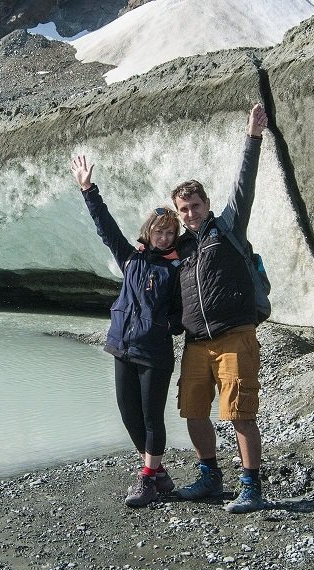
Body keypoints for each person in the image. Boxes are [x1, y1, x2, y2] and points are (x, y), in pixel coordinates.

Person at [171, 103, 269, 513]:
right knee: (194, 411)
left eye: (195, 205)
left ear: (206, 204)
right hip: (195, 343)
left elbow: (243, 184)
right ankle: (210, 476)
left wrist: (253, 137)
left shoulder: (226, 227)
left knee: (239, 411)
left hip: (234, 337)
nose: (190, 213)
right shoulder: (181, 248)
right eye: (183, 209)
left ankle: (251, 487)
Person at [70, 154, 184, 508]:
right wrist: (88, 189)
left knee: (152, 417)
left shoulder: (177, 269)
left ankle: (147, 478)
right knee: (128, 412)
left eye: (170, 233)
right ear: (148, 231)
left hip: (155, 353)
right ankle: (158, 471)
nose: (164, 237)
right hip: (123, 347)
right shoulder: (130, 258)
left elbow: (183, 315)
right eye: (159, 231)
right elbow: (106, 228)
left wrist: (166, 325)